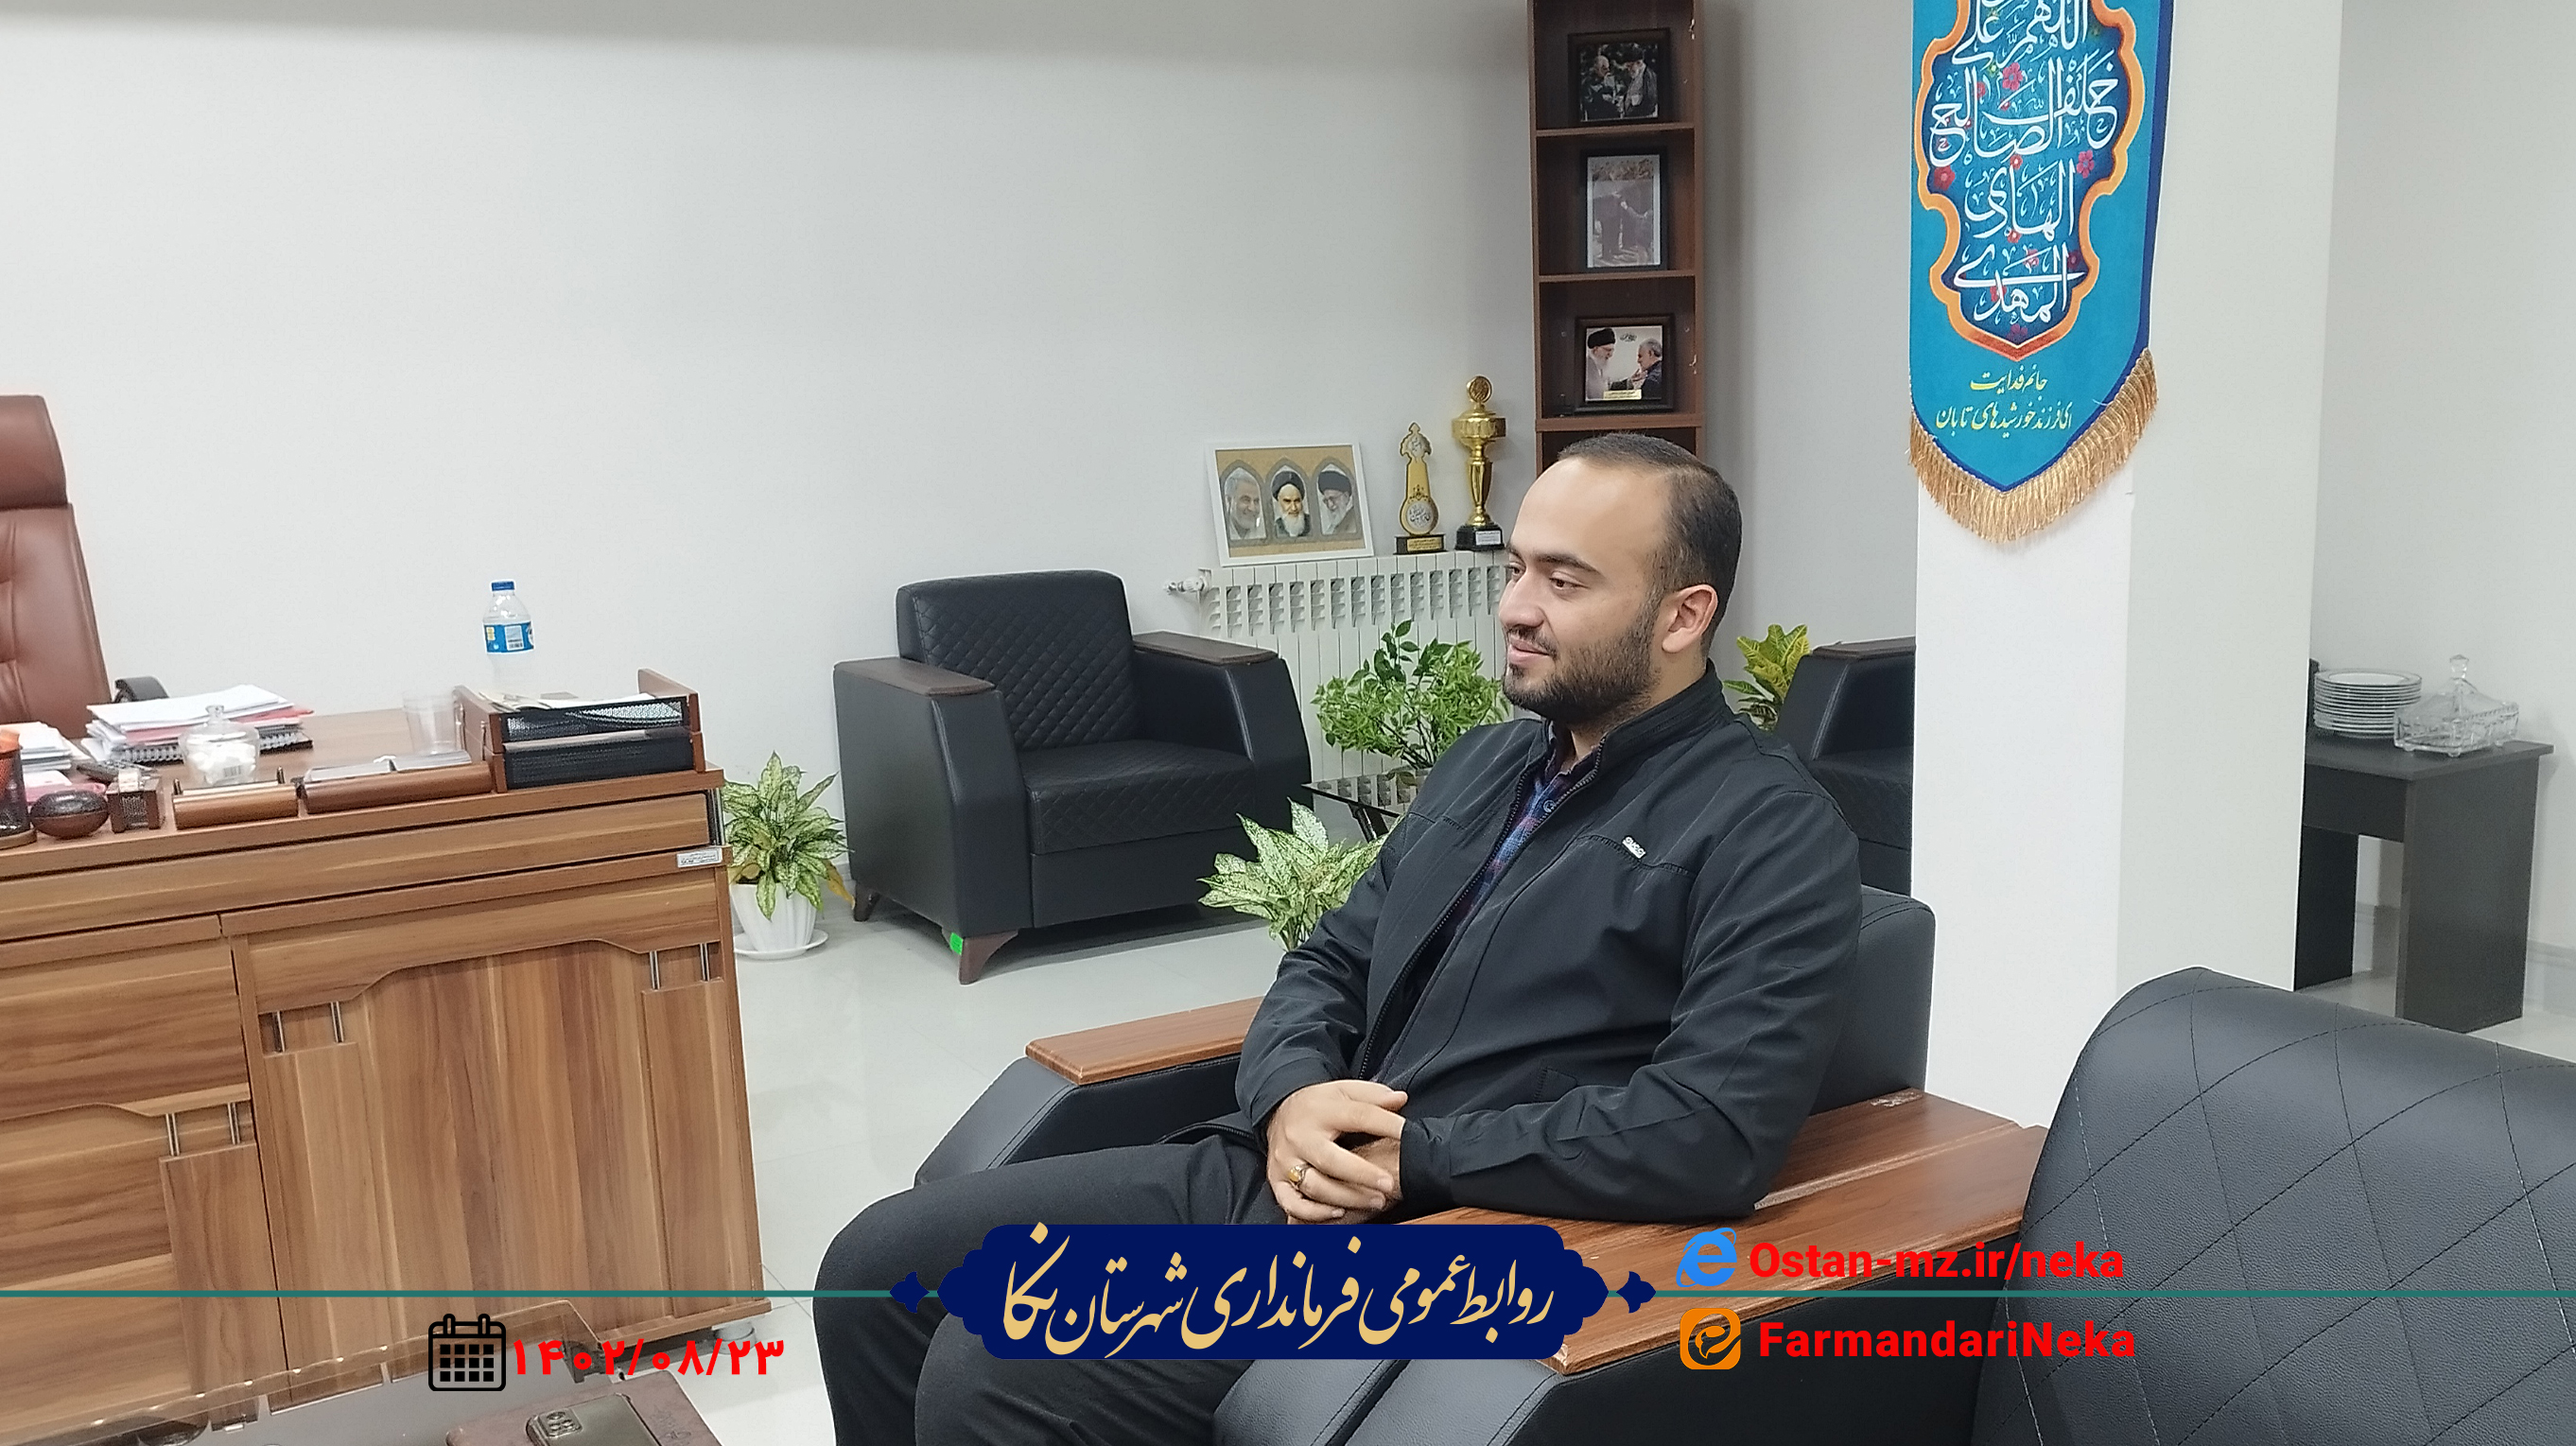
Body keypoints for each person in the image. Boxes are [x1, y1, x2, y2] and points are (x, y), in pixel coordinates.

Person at [814, 432, 1860, 1446]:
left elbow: (1713, 1129)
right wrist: (1289, 1096)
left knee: (997, 1361)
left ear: (1684, 615)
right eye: (1515, 568)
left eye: (1565, 580)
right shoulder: (1488, 764)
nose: (1515, 606)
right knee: (878, 1267)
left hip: (1451, 1233)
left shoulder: (1767, 827)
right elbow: (1328, 959)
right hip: (1283, 1167)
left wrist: (1417, 1158)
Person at [1220, 464, 1267, 542]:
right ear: (1229, 501)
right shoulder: (1219, 532)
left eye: (1256, 501)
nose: (1252, 508)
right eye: (1246, 500)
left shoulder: (1265, 532)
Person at [1314, 462, 1360, 536]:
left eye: (1333, 498)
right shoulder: (1332, 529)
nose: (1330, 505)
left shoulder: (1356, 521)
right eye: (1326, 501)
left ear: (1346, 497)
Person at [1620, 337, 1665, 402]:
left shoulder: (1652, 380)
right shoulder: (1665, 371)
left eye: (1640, 356)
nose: (1638, 361)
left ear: (1650, 353)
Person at [1269, 469, 1311, 538]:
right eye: (1287, 501)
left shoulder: (1314, 524)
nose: (1294, 508)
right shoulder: (1274, 530)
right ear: (1279, 503)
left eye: (1297, 501)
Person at [1583, 327, 1618, 401]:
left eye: (1612, 350)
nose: (1610, 354)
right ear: (1595, 349)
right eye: (1608, 350)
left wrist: (1630, 381)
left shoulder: (1601, 365)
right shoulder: (1584, 367)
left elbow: (1608, 387)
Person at [1623, 52, 1659, 119]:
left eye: (1630, 66)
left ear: (1639, 63)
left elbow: (1650, 102)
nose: (1629, 69)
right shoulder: (1636, 75)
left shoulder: (1649, 77)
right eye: (1627, 66)